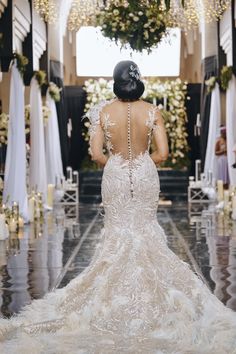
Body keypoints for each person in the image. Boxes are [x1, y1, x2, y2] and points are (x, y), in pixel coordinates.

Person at [0, 61, 236, 354]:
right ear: (139, 81)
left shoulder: (103, 112)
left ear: (115, 81)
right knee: (145, 229)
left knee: (117, 232)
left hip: (114, 175)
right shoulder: (152, 111)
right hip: (145, 174)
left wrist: (116, 164)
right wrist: (140, 165)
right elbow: (162, 153)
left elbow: (95, 152)